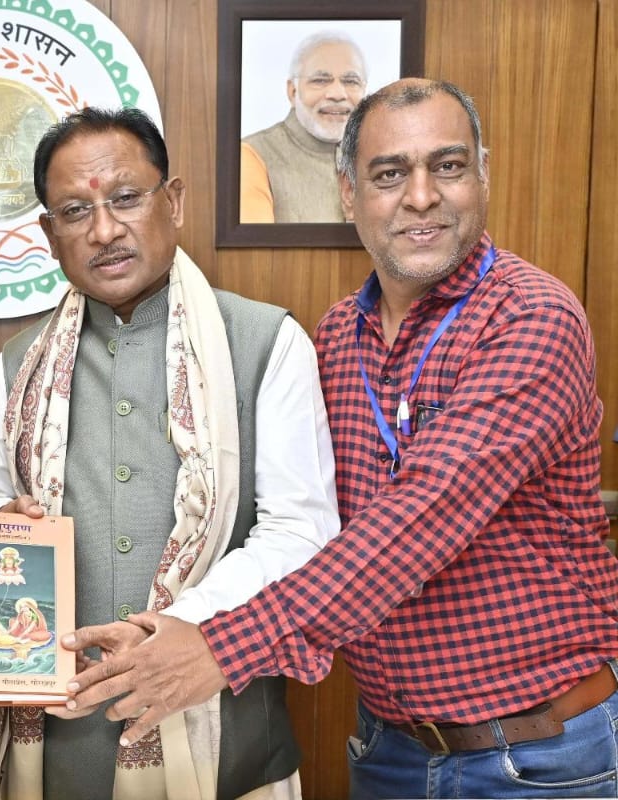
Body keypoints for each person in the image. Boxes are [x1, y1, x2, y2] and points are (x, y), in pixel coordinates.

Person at [67, 79, 618, 799]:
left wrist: (215, 648)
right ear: (349, 194)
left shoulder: (531, 317)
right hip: (389, 750)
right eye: (389, 174)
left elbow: (419, 522)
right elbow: (283, 515)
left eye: (448, 166)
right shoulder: (334, 337)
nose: (421, 196)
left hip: (541, 756)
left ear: (482, 176)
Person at [0, 106, 340, 799]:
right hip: (58, 746)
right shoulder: (18, 367)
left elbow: (300, 531)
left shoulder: (266, 342)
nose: (104, 231)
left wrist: (181, 627)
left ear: (174, 202)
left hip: (226, 734)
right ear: (49, 234)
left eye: (126, 198)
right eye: (75, 211)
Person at [240, 31, 367, 223]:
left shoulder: (380, 153)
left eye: (351, 81)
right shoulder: (253, 155)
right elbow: (253, 243)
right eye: (320, 80)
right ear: (292, 92)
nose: (337, 94)